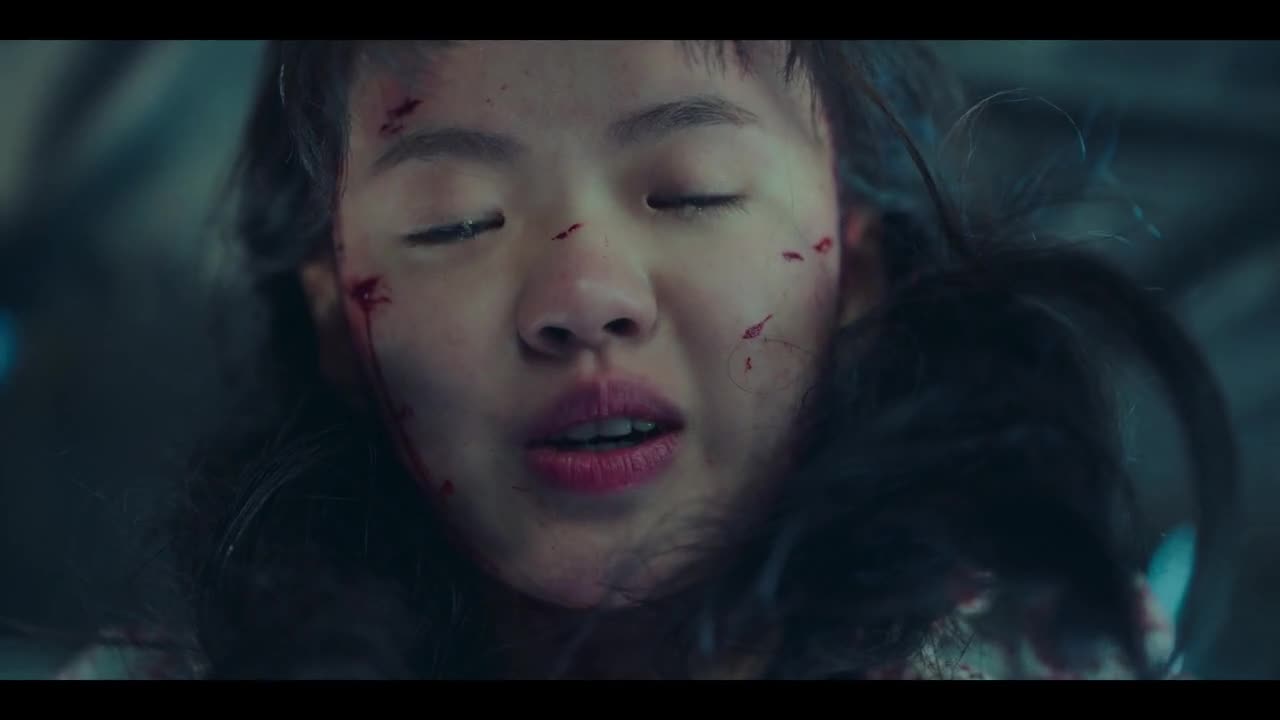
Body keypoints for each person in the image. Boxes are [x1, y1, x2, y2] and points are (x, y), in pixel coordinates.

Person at [60, 40, 1237, 680]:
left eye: (691, 193)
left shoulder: (1031, 658)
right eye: (456, 222)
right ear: (337, 321)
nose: (583, 299)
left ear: (857, 273)